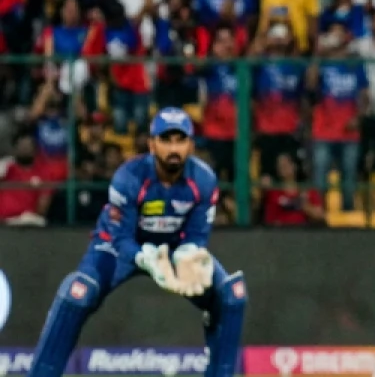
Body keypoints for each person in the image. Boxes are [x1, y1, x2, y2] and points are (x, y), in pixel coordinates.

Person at [28, 108, 246, 377]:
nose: (174, 148)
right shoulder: (129, 177)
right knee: (77, 293)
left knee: (231, 296)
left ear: (190, 144)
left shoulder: (204, 180)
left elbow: (197, 234)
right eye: (166, 140)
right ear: (152, 144)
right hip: (118, 247)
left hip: (174, 249)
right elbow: (121, 238)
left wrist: (189, 254)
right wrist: (147, 259)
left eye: (180, 140)